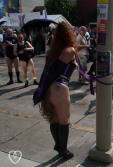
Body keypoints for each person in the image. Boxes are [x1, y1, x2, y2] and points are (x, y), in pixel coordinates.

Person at [33, 21, 76, 159]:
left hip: (49, 90)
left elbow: (49, 71)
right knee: (64, 121)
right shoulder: (70, 50)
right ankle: (63, 151)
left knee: (54, 119)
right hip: (60, 88)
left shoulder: (53, 50)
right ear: (69, 33)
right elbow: (72, 52)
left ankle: (59, 146)